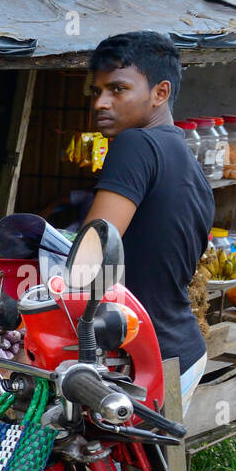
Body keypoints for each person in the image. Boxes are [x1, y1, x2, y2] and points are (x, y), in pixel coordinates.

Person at [82, 31, 212, 413]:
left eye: (117, 89)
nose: (101, 103)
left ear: (160, 93)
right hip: (179, 348)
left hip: (145, 360)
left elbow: (91, 255)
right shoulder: (188, 162)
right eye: (97, 91)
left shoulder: (136, 144)